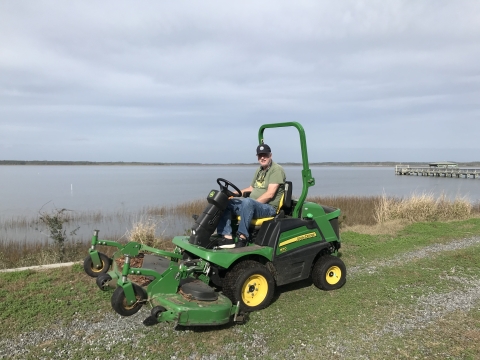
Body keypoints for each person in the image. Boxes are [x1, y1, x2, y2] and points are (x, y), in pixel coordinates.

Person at [217, 143, 286, 248]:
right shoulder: (259, 170)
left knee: (247, 202)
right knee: (225, 202)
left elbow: (270, 194)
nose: (262, 158)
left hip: (269, 207)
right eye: (260, 155)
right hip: (252, 205)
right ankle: (227, 237)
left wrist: (251, 204)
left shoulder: (276, 169)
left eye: (265, 155)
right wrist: (232, 194)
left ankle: (242, 237)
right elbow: (251, 188)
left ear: (270, 155)